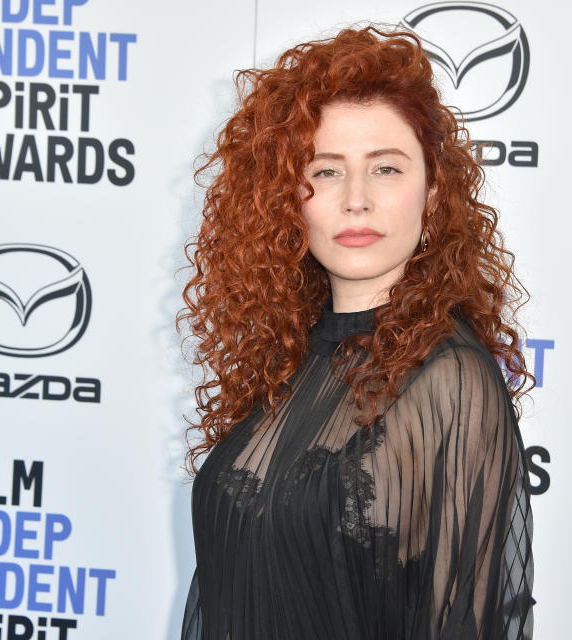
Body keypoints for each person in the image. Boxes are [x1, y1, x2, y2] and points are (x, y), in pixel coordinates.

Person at [177, 25, 534, 640]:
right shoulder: (286, 355)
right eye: (328, 171)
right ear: (288, 195)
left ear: (433, 192)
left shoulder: (450, 377)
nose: (357, 200)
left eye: (387, 168)